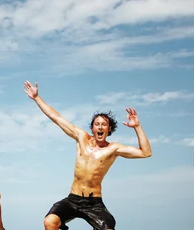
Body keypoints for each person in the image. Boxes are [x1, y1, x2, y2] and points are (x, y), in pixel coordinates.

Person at [23, 81, 152, 230]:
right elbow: (56, 118)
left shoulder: (113, 149)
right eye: (97, 124)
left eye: (104, 124)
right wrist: (37, 98)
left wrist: (137, 127)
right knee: (50, 222)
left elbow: (146, 152)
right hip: (73, 198)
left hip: (94, 202)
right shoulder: (81, 138)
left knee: (107, 228)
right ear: (92, 128)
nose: (100, 127)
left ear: (109, 129)